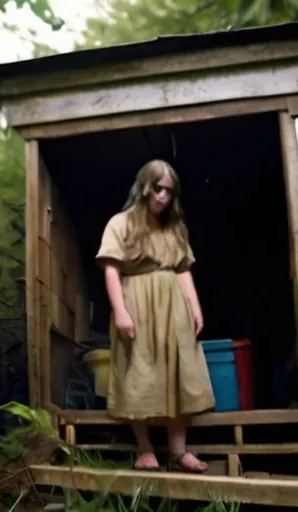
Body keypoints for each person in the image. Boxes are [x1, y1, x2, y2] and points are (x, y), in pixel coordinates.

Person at [95, 158, 215, 473]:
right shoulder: (120, 223)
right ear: (145, 187)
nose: (162, 196)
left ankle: (179, 451)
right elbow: (111, 269)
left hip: (172, 303)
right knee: (139, 369)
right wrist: (120, 311)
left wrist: (195, 307)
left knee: (180, 368)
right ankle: (145, 449)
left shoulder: (175, 228)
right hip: (136, 300)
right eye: (157, 189)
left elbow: (182, 270)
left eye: (168, 192)